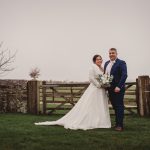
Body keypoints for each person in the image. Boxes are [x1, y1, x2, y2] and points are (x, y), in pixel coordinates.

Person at [35, 55, 111, 130]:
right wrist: (99, 85)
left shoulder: (102, 68)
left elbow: (104, 77)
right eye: (98, 59)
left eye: (100, 59)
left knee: (99, 105)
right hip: (95, 89)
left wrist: (105, 83)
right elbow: (91, 78)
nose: (99, 60)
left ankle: (100, 121)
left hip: (102, 90)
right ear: (94, 60)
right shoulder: (92, 67)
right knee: (92, 105)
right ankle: (90, 121)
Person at [104, 48, 127, 131]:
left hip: (118, 89)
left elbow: (124, 75)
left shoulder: (121, 63)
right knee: (115, 106)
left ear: (116, 54)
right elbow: (106, 76)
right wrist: (105, 85)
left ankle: (120, 125)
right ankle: (117, 123)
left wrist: (119, 86)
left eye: (113, 53)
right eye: (110, 53)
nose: (111, 54)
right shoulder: (106, 63)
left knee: (119, 106)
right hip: (110, 89)